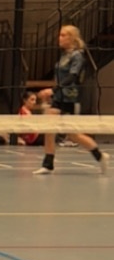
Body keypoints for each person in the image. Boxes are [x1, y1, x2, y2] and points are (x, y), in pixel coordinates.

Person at [35, 25, 108, 175]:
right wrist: (52, 92)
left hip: (70, 99)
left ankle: (100, 156)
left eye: (63, 35)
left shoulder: (77, 56)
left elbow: (72, 77)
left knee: (74, 135)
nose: (59, 38)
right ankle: (48, 164)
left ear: (72, 38)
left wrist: (52, 90)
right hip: (58, 98)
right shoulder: (64, 55)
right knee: (49, 128)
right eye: (59, 35)